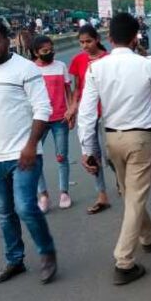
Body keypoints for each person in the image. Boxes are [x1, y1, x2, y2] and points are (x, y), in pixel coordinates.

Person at [78, 12, 151, 285]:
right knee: (134, 195)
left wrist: (87, 149)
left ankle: (148, 235)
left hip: (112, 139)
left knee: (129, 193)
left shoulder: (96, 68)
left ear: (109, 37)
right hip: (140, 138)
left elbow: (87, 113)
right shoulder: (148, 66)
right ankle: (124, 261)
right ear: (136, 37)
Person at [0, 19, 57, 283]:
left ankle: (47, 252)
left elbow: (42, 108)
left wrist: (31, 145)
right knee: (4, 211)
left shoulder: (25, 69)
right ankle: (14, 260)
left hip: (23, 154)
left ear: (8, 40)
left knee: (26, 207)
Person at [68, 25, 112, 214]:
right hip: (88, 115)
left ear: (97, 40)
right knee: (93, 156)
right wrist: (73, 107)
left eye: (88, 41)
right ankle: (102, 195)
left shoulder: (110, 59)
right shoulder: (78, 60)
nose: (85, 45)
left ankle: (121, 182)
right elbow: (78, 88)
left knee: (112, 154)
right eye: (82, 42)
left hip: (108, 113)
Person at [32, 36, 74, 213]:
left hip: (60, 118)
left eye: (51, 49)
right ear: (36, 52)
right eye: (45, 51)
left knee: (61, 157)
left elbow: (68, 92)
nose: (49, 53)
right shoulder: (30, 69)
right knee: (34, 158)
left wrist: (71, 111)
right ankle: (43, 195)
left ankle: (64, 192)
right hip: (38, 120)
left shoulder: (60, 66)